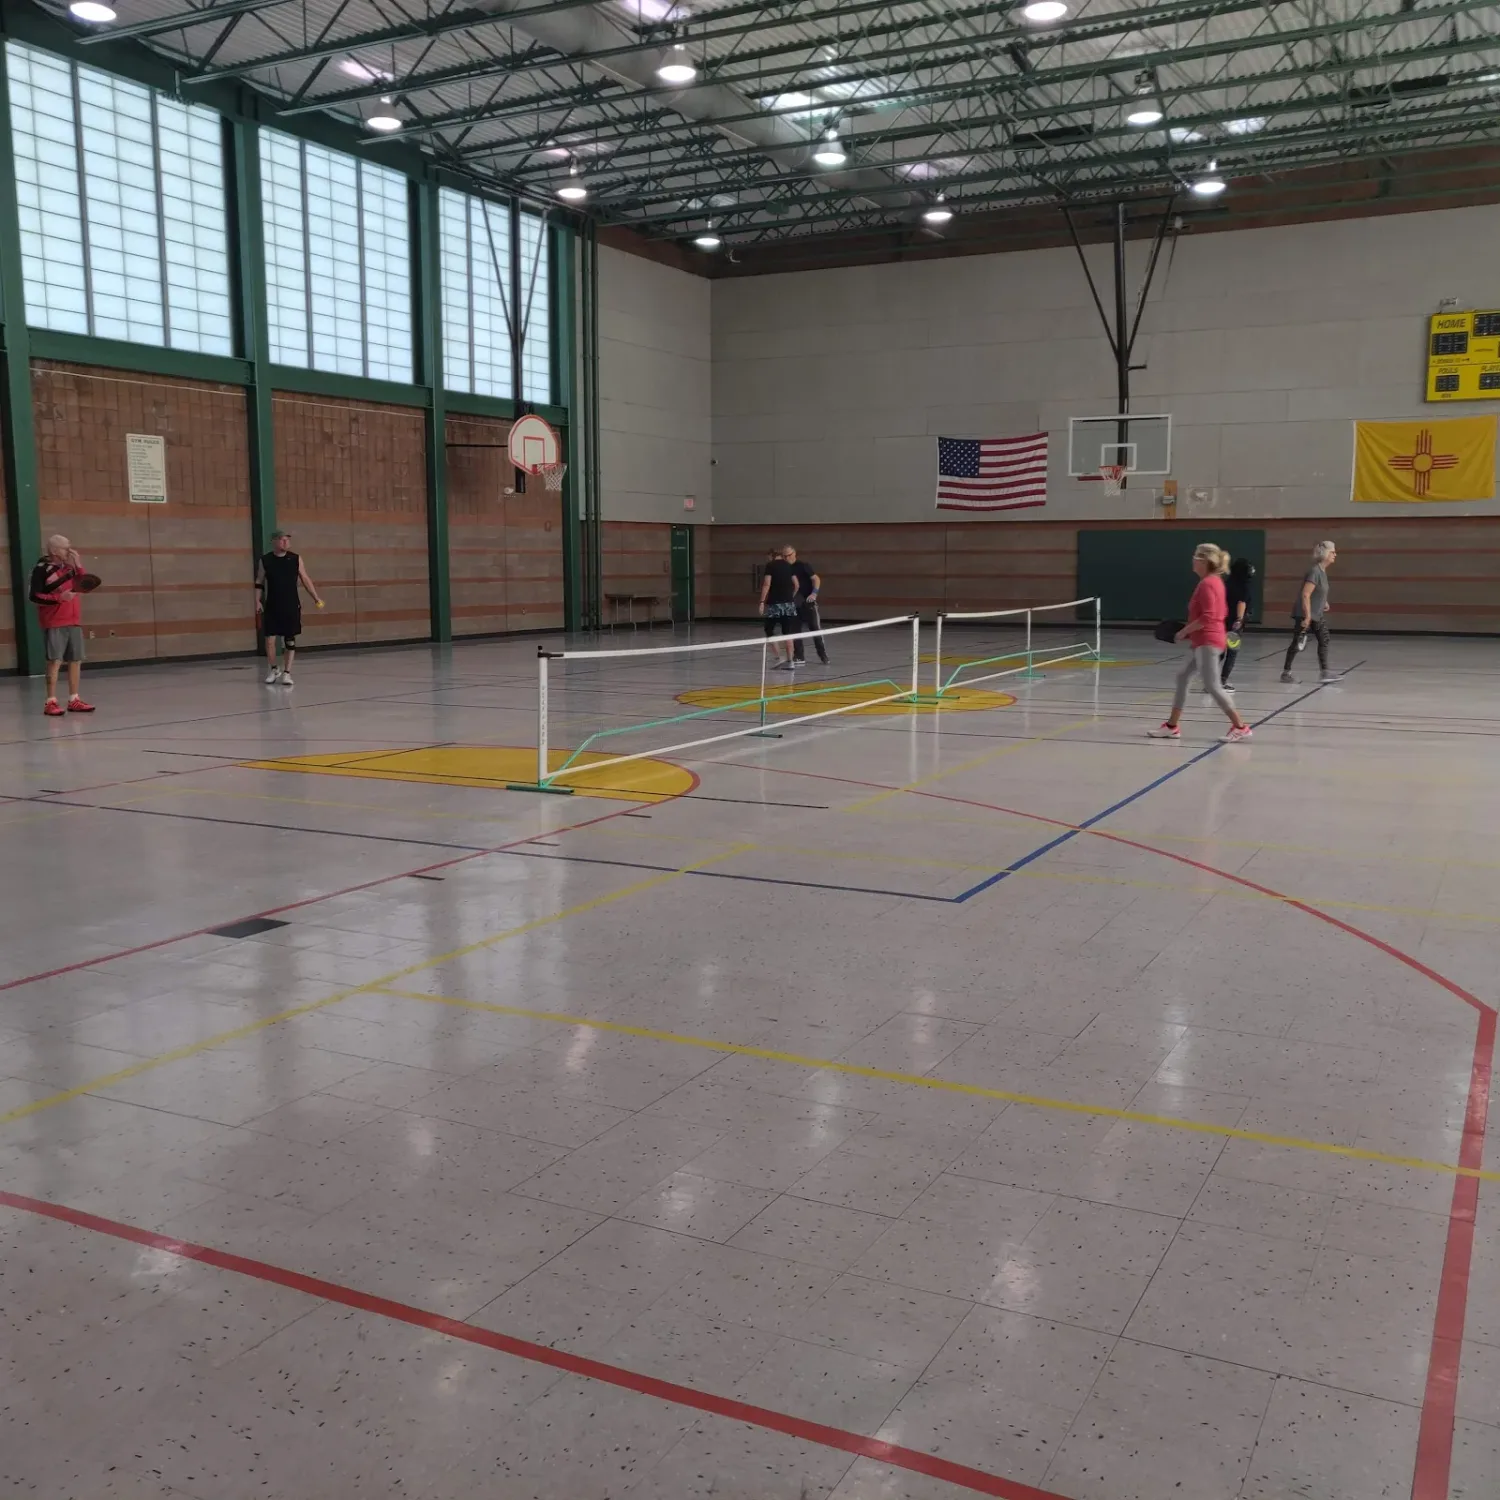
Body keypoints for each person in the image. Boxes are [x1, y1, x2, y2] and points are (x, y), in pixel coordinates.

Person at [1148, 543, 1253, 742]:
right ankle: (1172, 726)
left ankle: (1240, 726)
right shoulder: (1211, 582)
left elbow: (1209, 617)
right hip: (1202, 640)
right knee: (1182, 677)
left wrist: (1183, 632)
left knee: (1213, 686)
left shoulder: (1208, 584)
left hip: (1209, 642)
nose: (1192, 560)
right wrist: (1189, 633)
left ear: (1204, 561)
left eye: (1195, 557)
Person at [29, 534, 94, 717]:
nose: (70, 550)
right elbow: (34, 596)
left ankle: (74, 699)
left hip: (73, 620)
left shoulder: (70, 568)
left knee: (75, 660)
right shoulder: (41, 570)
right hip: (54, 622)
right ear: (54, 550)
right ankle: (50, 701)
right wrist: (59, 598)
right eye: (66, 547)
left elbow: (85, 586)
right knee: (55, 661)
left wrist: (78, 565)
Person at [256, 530, 323, 686]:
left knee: (289, 641)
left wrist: (316, 597)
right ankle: (274, 669)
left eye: (287, 539)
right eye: (281, 540)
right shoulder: (265, 560)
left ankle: (287, 672)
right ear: (274, 541)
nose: (285, 542)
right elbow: (259, 581)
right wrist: (257, 601)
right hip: (273, 604)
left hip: (291, 604)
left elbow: (305, 578)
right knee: (270, 640)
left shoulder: (295, 559)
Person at [1281, 540, 1336, 684]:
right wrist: (1307, 616)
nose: (1335, 554)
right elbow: (1306, 594)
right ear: (1325, 554)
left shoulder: (1322, 572)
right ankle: (1286, 673)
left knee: (1324, 639)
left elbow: (1318, 591)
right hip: (1306, 614)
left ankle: (1325, 673)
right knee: (1297, 643)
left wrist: (1324, 602)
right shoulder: (1315, 571)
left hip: (1316, 614)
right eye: (1332, 552)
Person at [784, 546, 829, 665]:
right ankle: (799, 656)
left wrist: (814, 594)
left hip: (807, 603)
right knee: (795, 630)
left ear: (794, 554)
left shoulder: (803, 565)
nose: (787, 558)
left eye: (789, 555)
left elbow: (816, 579)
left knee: (815, 628)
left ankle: (823, 655)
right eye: (784, 556)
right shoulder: (785, 569)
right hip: (793, 604)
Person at [758, 546, 801, 669]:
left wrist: (762, 601)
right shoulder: (789, 566)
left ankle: (778, 657)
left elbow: (767, 584)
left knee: (769, 630)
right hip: (788, 604)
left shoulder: (770, 566)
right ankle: (790, 661)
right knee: (787, 633)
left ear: (771, 556)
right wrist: (789, 597)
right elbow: (797, 585)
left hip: (775, 604)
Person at [1220, 556, 1255, 690]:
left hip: (1223, 622)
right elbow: (1241, 602)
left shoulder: (1227, 583)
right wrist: (1239, 619)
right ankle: (1222, 681)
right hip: (1234, 625)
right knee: (1232, 652)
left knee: (1220, 652)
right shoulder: (1244, 586)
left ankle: (1210, 681)